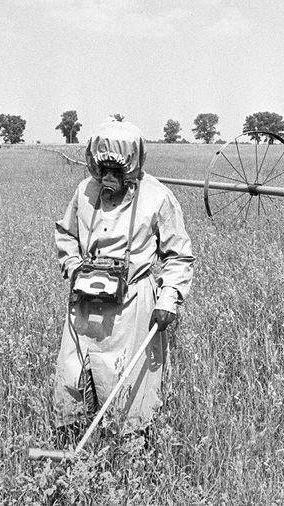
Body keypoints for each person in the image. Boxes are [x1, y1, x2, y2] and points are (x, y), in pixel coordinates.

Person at [53, 118, 195, 440]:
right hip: (83, 305)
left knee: (129, 389)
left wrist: (168, 300)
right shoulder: (84, 192)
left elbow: (179, 255)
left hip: (132, 307)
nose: (107, 178)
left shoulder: (158, 197)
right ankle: (75, 442)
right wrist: (75, 266)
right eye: (101, 169)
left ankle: (130, 449)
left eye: (115, 171)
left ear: (131, 168)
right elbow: (65, 234)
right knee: (74, 378)